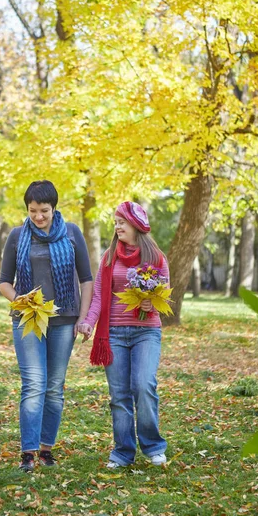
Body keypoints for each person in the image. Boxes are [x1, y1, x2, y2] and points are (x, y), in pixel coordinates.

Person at [0, 180, 93, 471]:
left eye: (44, 210)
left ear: (54, 208)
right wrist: (21, 300)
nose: (38, 217)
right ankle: (28, 452)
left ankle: (45, 449)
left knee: (54, 387)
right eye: (32, 211)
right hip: (28, 320)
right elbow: (3, 282)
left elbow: (86, 279)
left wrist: (84, 317)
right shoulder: (17, 236)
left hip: (64, 320)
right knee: (34, 384)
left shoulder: (73, 233)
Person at [78, 201, 168, 468]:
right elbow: (97, 297)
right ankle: (122, 452)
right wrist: (88, 323)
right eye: (115, 222)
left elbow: (165, 295)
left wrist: (152, 303)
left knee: (143, 385)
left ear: (137, 225)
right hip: (113, 333)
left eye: (122, 222)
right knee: (119, 394)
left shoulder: (157, 258)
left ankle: (153, 446)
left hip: (146, 332)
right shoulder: (109, 258)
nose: (117, 226)